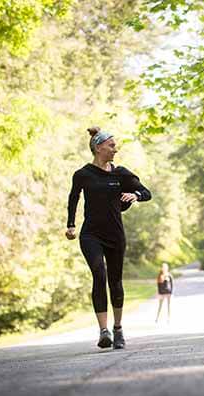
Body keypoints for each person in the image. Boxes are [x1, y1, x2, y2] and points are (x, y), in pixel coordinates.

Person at [66, 126, 152, 350]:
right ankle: (103, 331)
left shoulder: (121, 173)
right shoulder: (82, 174)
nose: (116, 149)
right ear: (98, 147)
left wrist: (135, 195)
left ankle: (118, 329)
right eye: (111, 145)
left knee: (115, 280)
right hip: (91, 234)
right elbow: (73, 198)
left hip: (115, 235)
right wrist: (71, 225)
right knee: (98, 274)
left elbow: (146, 193)